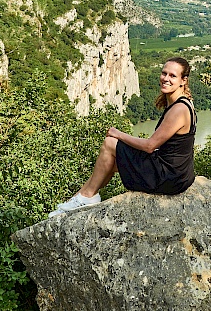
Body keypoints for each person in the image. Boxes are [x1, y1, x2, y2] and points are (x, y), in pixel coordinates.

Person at [49, 57, 196, 216]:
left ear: (183, 80)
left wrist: (118, 134)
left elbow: (150, 145)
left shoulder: (179, 109)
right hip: (177, 174)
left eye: (172, 76)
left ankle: (85, 197)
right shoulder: (182, 103)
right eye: (164, 73)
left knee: (110, 143)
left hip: (168, 177)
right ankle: (81, 198)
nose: (166, 78)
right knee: (109, 162)